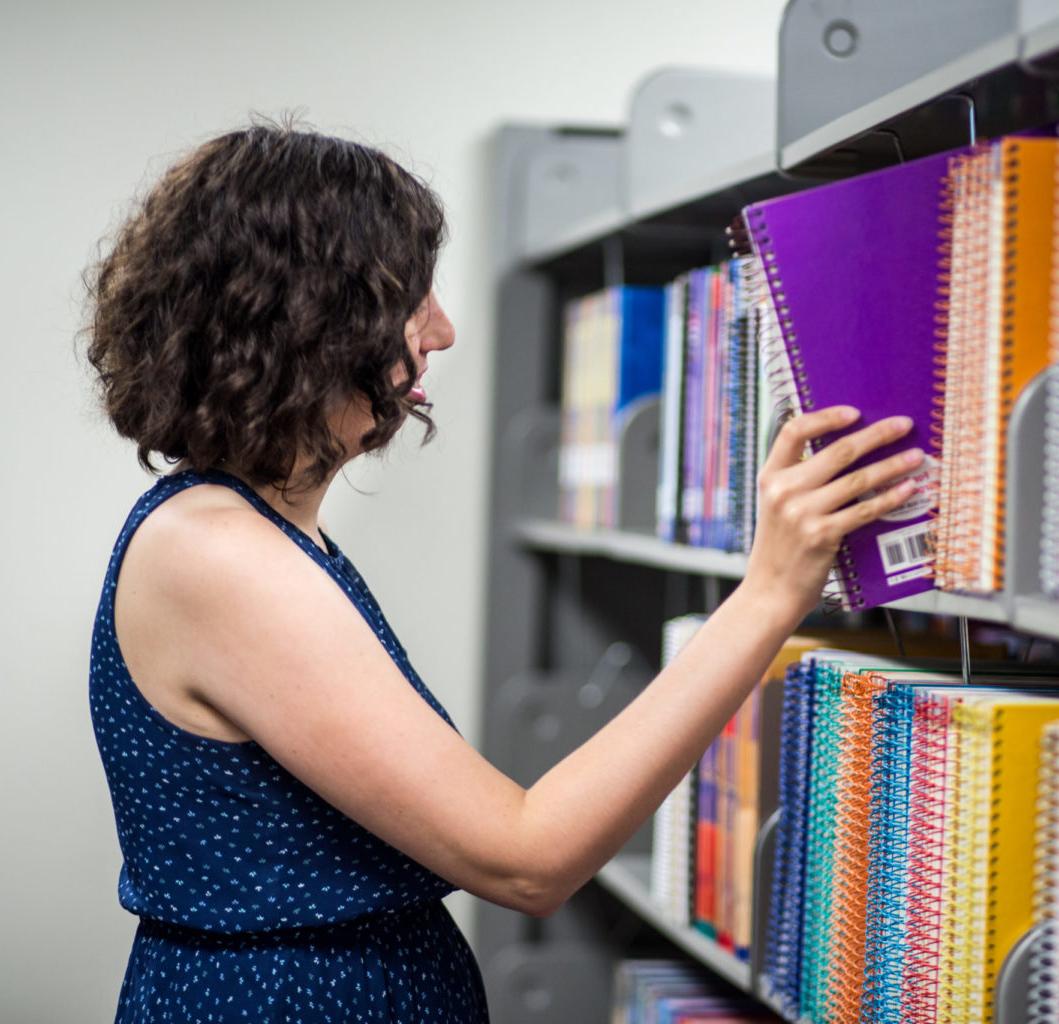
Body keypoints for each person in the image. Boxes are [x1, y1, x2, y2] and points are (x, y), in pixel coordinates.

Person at [79, 118, 924, 1023]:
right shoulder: (220, 554)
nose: (440, 329)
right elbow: (527, 858)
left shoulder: (253, 532)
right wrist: (768, 592)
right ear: (304, 319)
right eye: (405, 298)